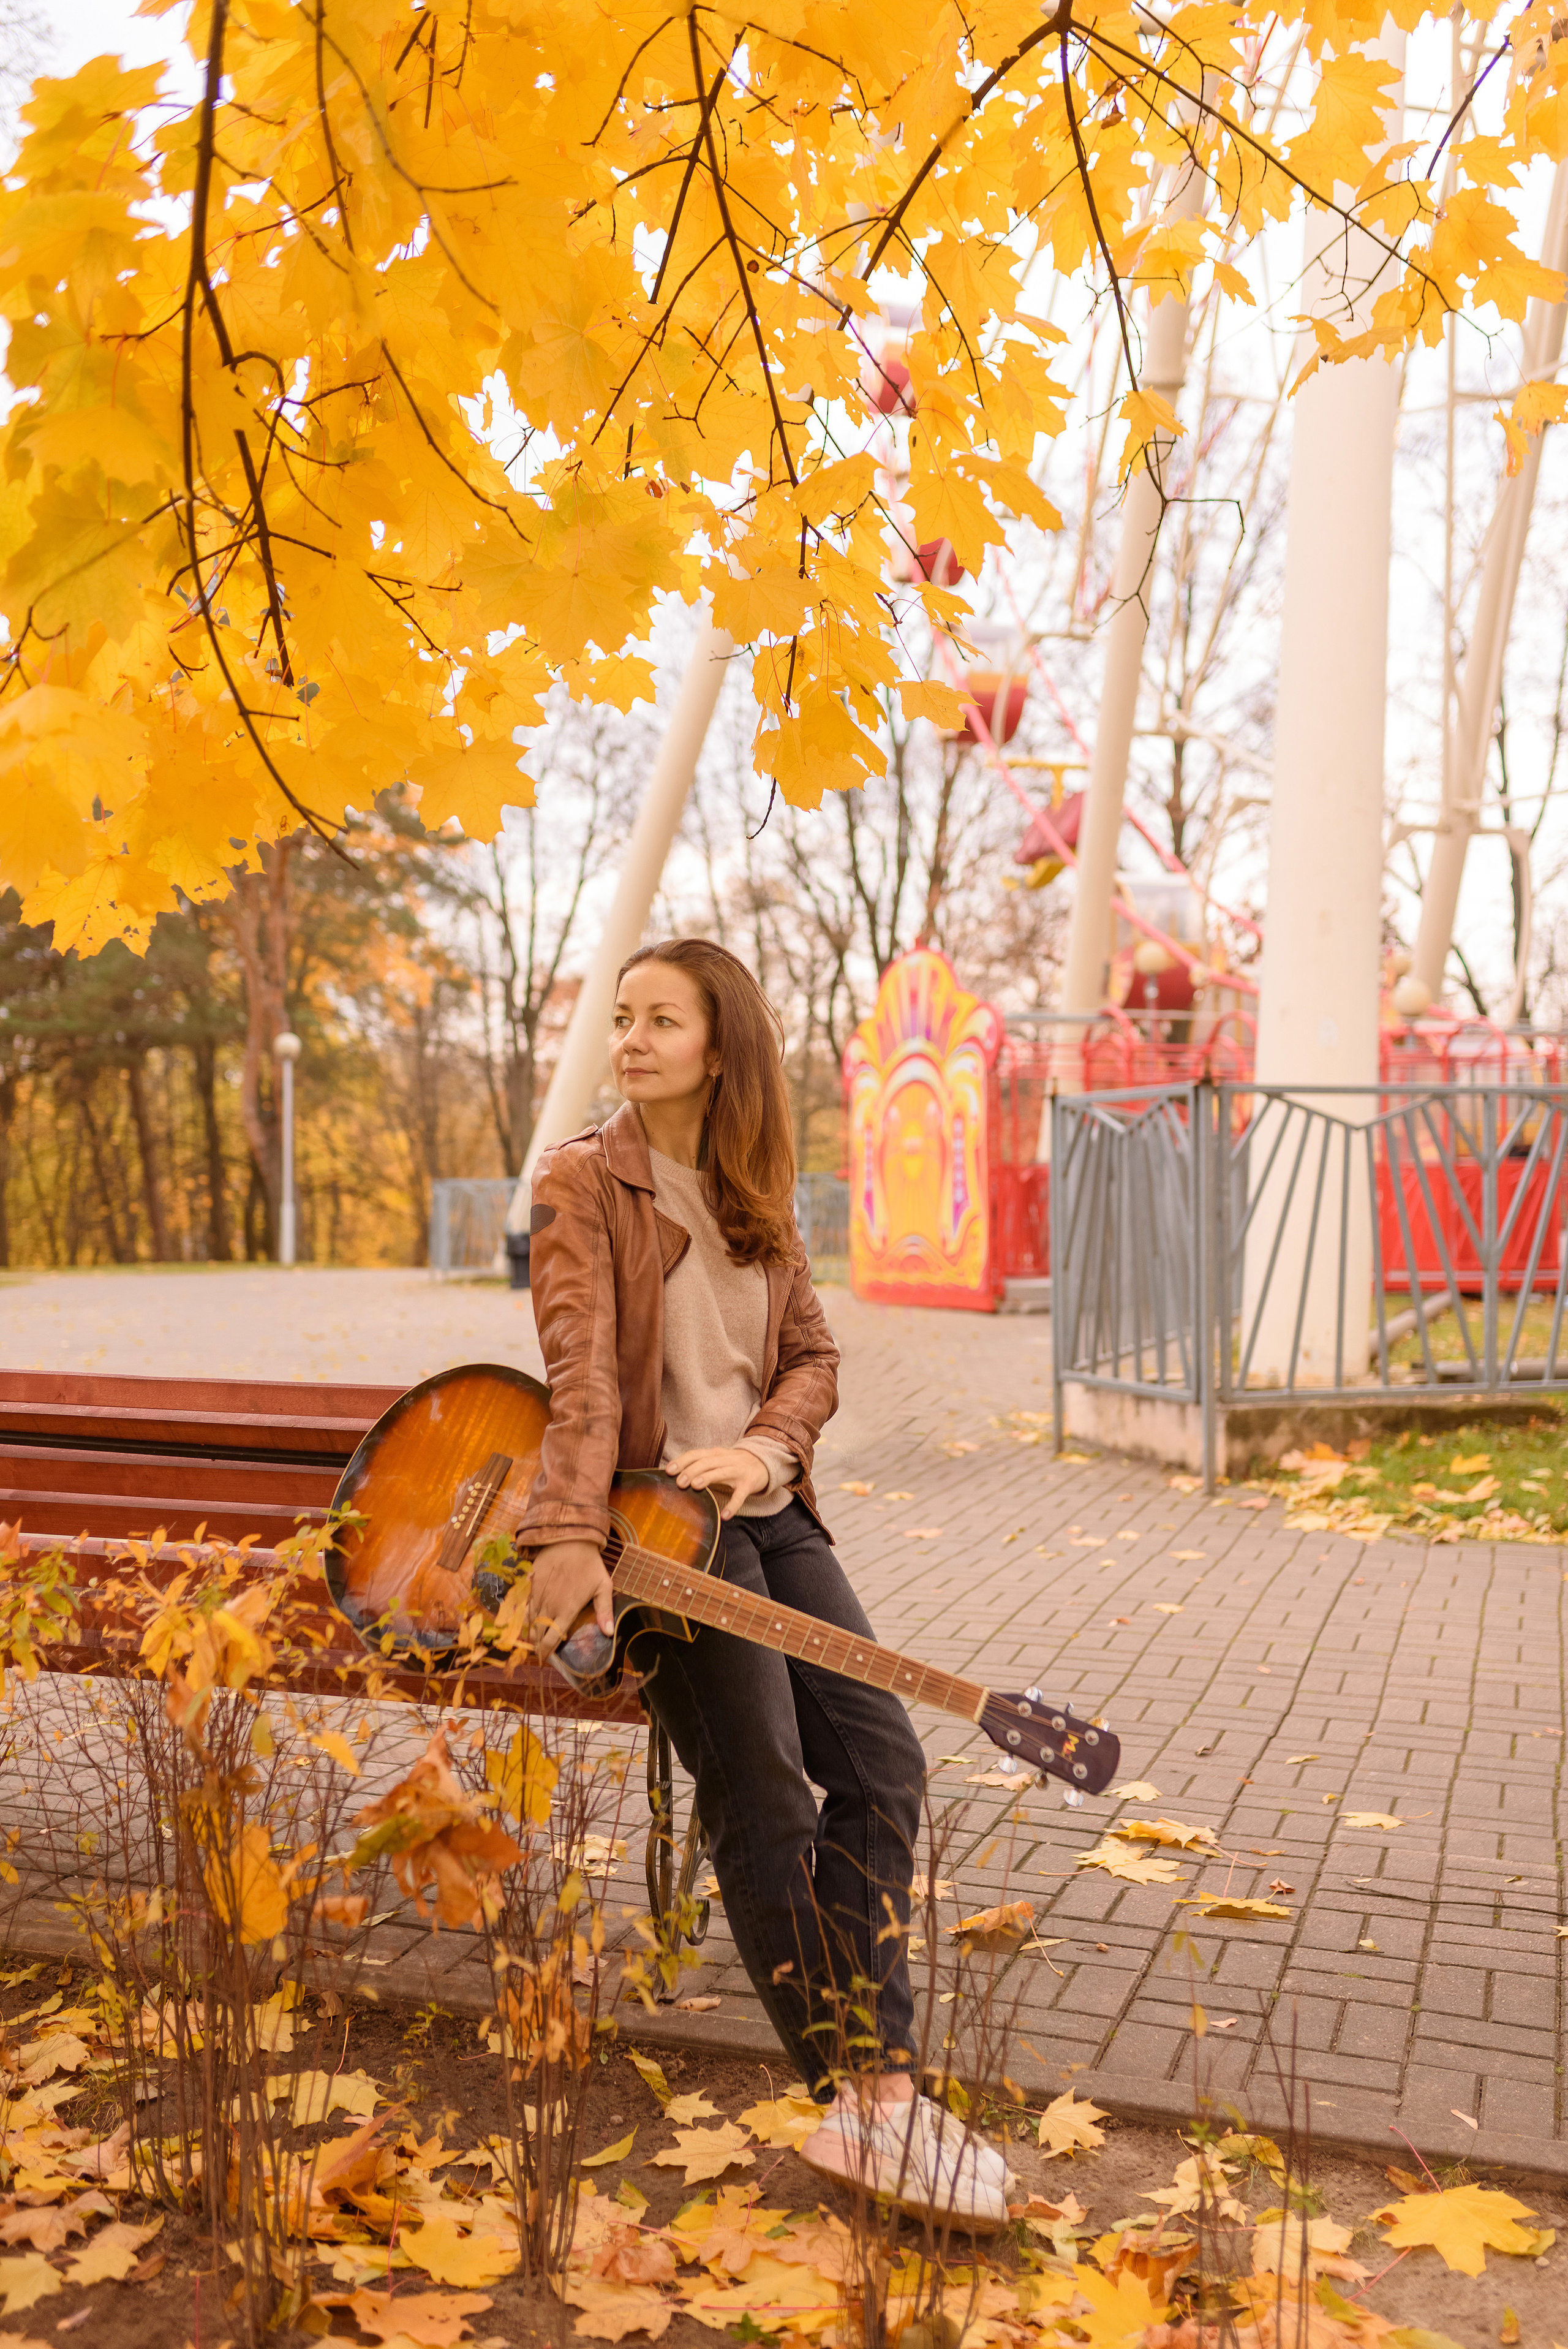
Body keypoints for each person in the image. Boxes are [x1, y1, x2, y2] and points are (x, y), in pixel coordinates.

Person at [516, 937, 1012, 2226]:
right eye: (620, 1018)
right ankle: (869, 2098)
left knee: (884, 1764)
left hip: (769, 1515)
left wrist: (766, 1445)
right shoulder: (580, 1183)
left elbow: (811, 1355)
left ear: (720, 1046)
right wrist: (566, 1534)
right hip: (657, 1537)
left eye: (658, 1020)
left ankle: (873, 2086)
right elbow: (580, 1377)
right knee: (765, 1810)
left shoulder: (754, 1190)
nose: (628, 1038)